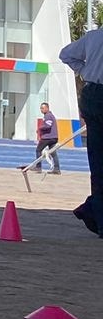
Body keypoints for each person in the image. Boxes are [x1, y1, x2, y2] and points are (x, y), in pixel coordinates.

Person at [59, 26, 103, 236]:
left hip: (92, 94)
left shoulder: (93, 37)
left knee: (98, 163)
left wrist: (84, 71)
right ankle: (91, 209)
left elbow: (65, 54)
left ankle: (98, 216)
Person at [34, 101, 60, 175]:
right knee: (53, 153)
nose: (41, 110)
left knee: (38, 150)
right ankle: (57, 168)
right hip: (54, 137)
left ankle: (38, 167)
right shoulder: (50, 115)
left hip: (48, 137)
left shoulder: (48, 116)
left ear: (47, 108)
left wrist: (40, 128)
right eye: (40, 108)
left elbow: (48, 126)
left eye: (43, 108)